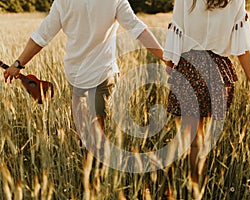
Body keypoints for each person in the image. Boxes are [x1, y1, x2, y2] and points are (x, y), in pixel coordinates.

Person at [3, 0, 170, 147]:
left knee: (86, 135)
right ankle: (94, 175)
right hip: (102, 74)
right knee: (95, 135)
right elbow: (138, 29)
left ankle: (90, 173)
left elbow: (41, 37)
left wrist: (18, 64)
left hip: (77, 74)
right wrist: (164, 57)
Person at [163, 0, 250, 197]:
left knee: (185, 136)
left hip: (189, 68)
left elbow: (175, 30)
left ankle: (169, 186)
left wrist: (170, 66)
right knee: (200, 140)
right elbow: (242, 47)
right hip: (217, 72)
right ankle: (197, 188)